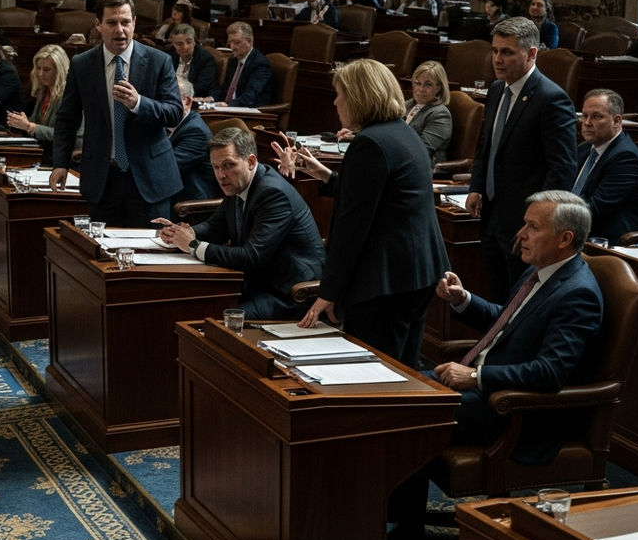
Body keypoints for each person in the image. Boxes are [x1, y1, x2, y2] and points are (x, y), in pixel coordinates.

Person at [387, 191, 604, 540]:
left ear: (565, 238)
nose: (519, 234)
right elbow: (507, 323)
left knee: (410, 414)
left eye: (532, 227)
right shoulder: (541, 271)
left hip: (514, 411)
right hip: (485, 389)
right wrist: (462, 299)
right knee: (392, 391)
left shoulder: (577, 294)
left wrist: (476, 376)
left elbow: (550, 372)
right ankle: (391, 523)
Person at [276, 58, 448, 367]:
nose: (335, 101)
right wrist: (326, 175)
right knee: (404, 369)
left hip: (384, 282)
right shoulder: (401, 133)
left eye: (340, 93)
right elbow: (381, 198)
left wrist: (329, 291)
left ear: (358, 97)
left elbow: (351, 227)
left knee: (374, 374)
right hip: (418, 272)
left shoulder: (369, 143)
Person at [156, 127, 325, 319]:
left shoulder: (272, 193)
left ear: (251, 162)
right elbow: (215, 228)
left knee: (211, 316)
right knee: (188, 302)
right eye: (216, 166)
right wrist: (181, 233)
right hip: (258, 283)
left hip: (289, 294)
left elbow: (251, 257)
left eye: (228, 165)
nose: (221, 175)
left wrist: (193, 245)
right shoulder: (239, 184)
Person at [48, 0, 183, 225]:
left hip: (148, 179)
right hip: (103, 178)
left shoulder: (158, 61)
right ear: (98, 25)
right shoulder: (82, 65)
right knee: (105, 257)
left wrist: (138, 103)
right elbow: (66, 119)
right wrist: (60, 163)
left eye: (125, 22)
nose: (120, 30)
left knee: (150, 257)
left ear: (134, 23)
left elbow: (173, 113)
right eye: (112, 23)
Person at [467, 16, 577, 302]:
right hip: (491, 217)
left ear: (531, 54)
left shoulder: (552, 99)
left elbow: (562, 170)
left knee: (519, 307)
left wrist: (537, 223)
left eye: (507, 52)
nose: (497, 59)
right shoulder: (495, 90)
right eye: (494, 51)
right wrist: (476, 186)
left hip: (525, 227)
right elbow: (486, 146)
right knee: (498, 302)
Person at [573, 88, 638, 244]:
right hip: (577, 230)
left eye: (596, 116)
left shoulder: (626, 159)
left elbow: (594, 209)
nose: (587, 123)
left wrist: (549, 212)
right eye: (584, 116)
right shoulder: (585, 148)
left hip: (606, 242)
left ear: (617, 121)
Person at [6, 43, 77, 166]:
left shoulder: (71, 95)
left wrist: (30, 126)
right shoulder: (44, 91)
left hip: (63, 160)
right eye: (38, 68)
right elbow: (37, 122)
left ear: (59, 70)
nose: (40, 74)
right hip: (43, 154)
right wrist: (20, 121)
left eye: (46, 69)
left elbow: (71, 136)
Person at [168, 76, 217, 203]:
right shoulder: (168, 123)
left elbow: (167, 168)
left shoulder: (196, 131)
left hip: (189, 204)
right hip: (170, 193)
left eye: (168, 100)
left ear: (187, 101)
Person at [209, 21, 272, 107]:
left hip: (248, 113)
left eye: (236, 42)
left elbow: (250, 96)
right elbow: (224, 89)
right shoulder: (234, 60)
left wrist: (228, 106)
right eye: (230, 43)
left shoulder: (260, 64)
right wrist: (210, 99)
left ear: (249, 41)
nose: (232, 47)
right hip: (228, 109)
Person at [403, 61, 453, 165]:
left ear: (438, 88)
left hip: (424, 168)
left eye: (428, 85)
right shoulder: (408, 105)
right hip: (402, 162)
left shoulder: (440, 115)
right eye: (417, 83)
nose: (421, 89)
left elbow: (420, 151)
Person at [168, 24, 217, 99]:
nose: (185, 47)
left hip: (194, 99)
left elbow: (202, 86)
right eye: (179, 44)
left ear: (194, 41)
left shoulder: (205, 58)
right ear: (173, 44)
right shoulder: (169, 56)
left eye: (189, 42)